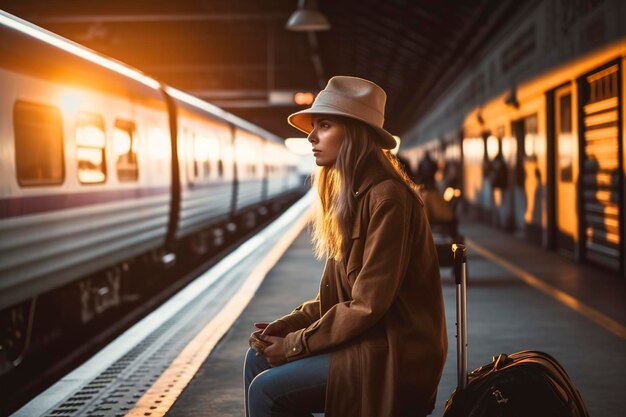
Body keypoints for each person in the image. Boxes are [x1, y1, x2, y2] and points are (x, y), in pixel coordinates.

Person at [243, 76, 447, 417]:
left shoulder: (387, 199)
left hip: (393, 354)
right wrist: (288, 325)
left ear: (354, 133)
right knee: (256, 356)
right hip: (368, 341)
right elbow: (335, 300)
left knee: (265, 390)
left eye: (324, 125)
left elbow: (367, 305)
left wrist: (295, 345)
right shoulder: (352, 197)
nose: (310, 136)